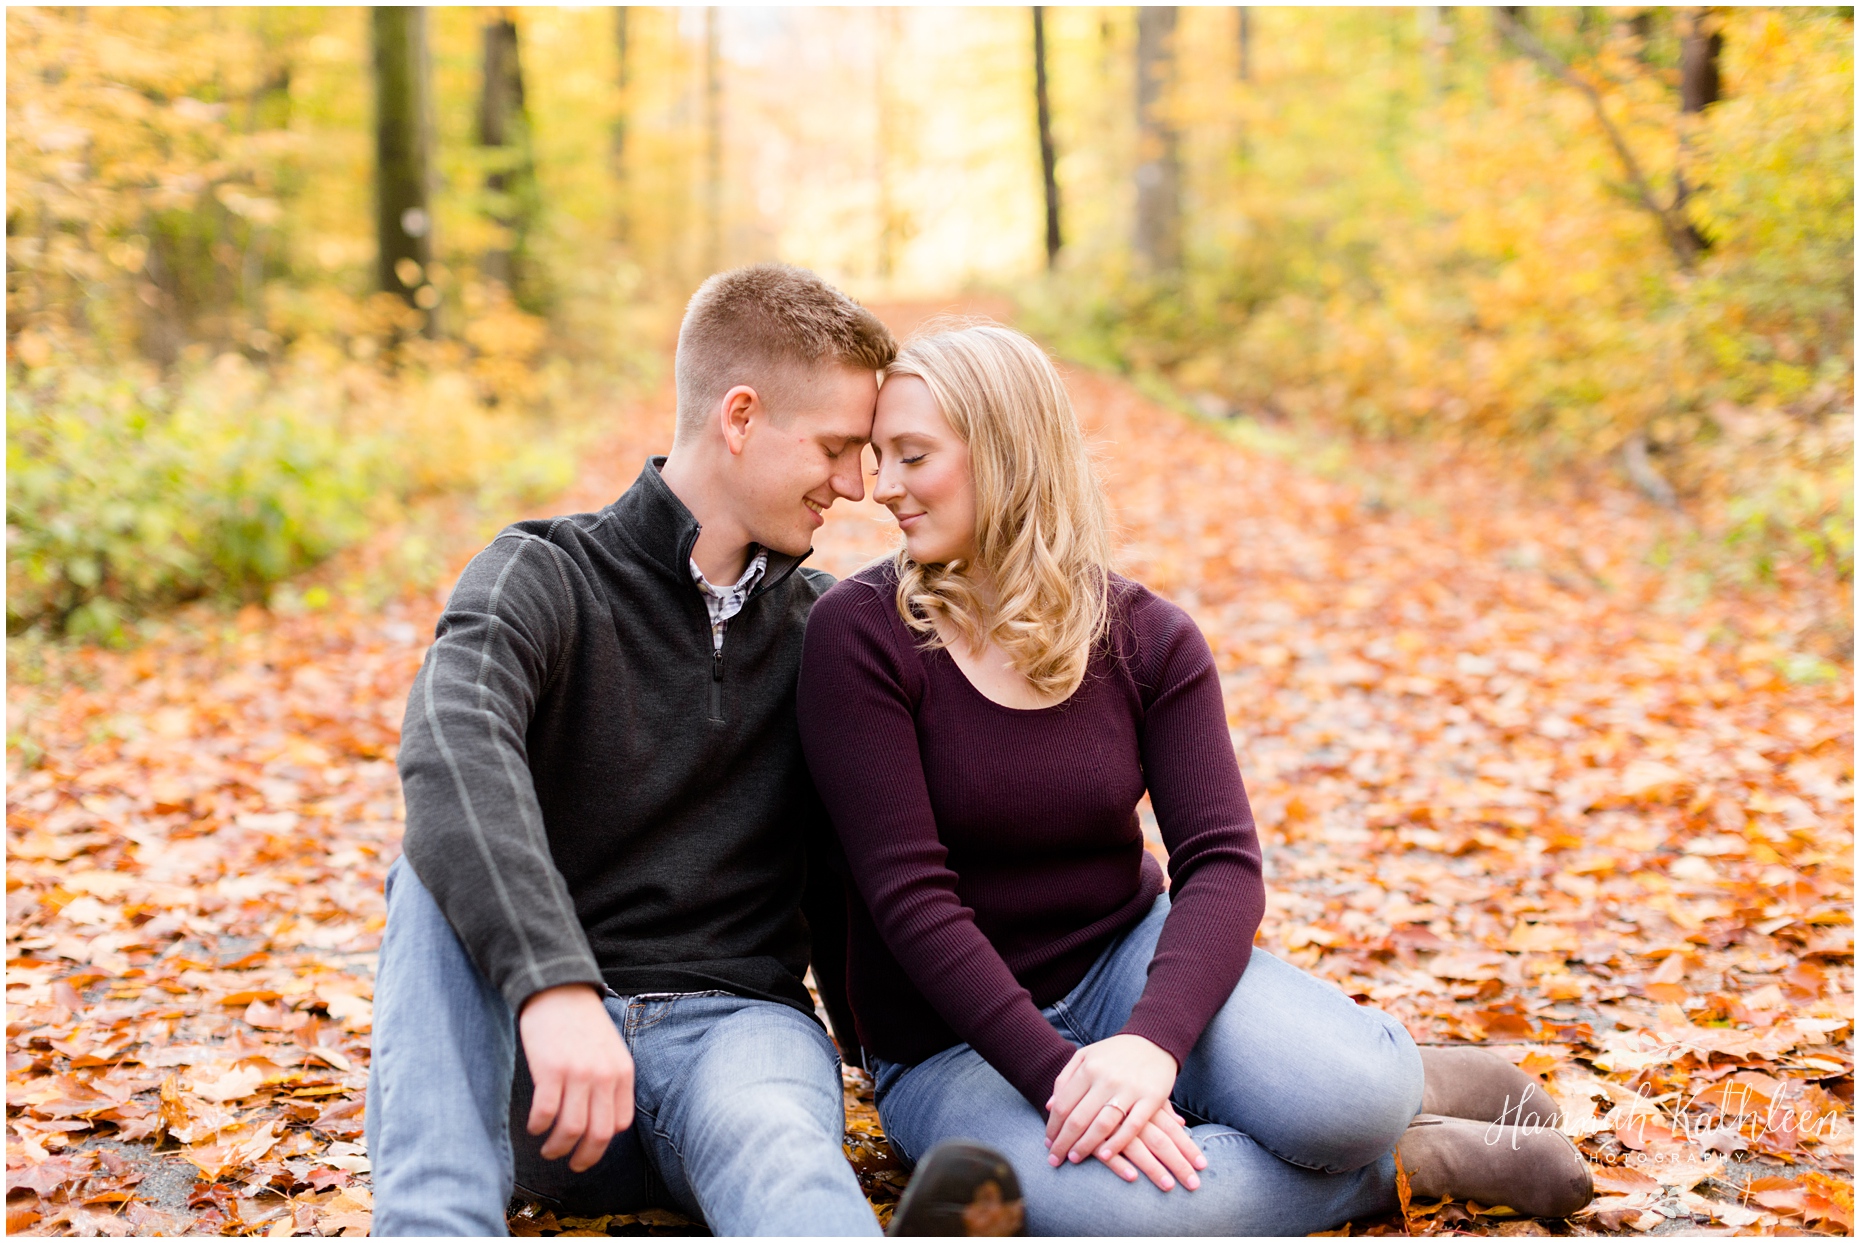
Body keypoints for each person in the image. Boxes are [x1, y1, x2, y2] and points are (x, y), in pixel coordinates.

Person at [796, 323, 1593, 1235]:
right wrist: (1065, 1077)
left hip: (1125, 961)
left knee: (1353, 1097)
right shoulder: (859, 635)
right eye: (876, 456)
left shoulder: (1146, 636)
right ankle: (1404, 1163)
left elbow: (1220, 863)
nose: (881, 486)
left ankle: (1401, 1083)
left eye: (912, 456)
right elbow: (910, 897)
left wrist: (1150, 1043)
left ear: (1008, 454)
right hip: (948, 1045)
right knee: (1134, 1213)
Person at [367, 266, 1014, 1237]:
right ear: (741, 417)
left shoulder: (832, 630)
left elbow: (905, 853)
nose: (857, 487)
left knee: (781, 1151)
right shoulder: (541, 578)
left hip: (736, 1039)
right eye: (839, 449)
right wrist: (554, 983)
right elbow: (451, 754)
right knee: (430, 861)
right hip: (541, 1073)